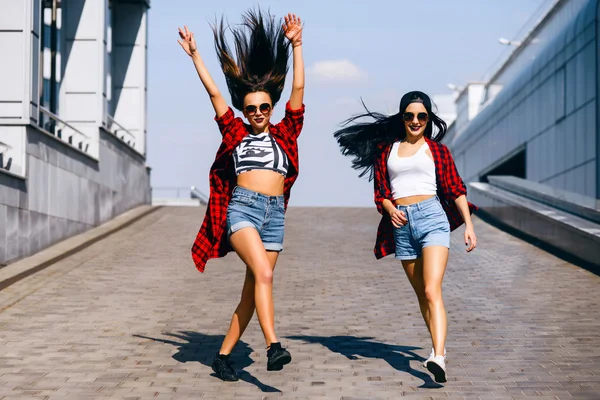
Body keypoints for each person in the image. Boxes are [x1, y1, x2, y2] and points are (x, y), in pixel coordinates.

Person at [178, 9, 305, 381]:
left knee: (253, 290)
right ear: (244, 111)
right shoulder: (235, 133)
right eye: (252, 109)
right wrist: (195, 55)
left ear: (272, 108)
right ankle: (273, 347)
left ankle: (222, 357)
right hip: (243, 211)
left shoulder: (286, 133)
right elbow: (215, 92)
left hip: (275, 216)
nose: (259, 113)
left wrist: (297, 44)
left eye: (264, 107)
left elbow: (298, 90)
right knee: (264, 273)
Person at [333, 91, 477, 383]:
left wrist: (469, 225)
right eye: (409, 116)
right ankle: (440, 347)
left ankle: (437, 357)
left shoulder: (437, 151)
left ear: (428, 119)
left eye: (421, 116)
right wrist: (389, 208)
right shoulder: (388, 150)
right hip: (402, 225)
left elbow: (455, 188)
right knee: (421, 294)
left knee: (431, 289)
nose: (415, 121)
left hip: (433, 219)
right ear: (402, 118)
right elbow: (381, 193)